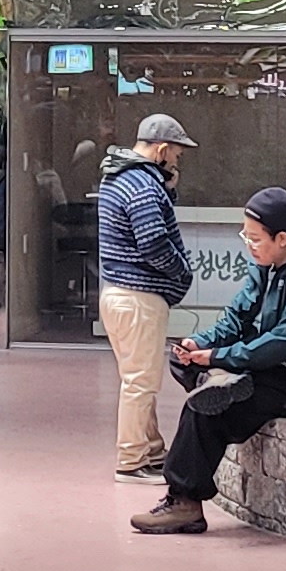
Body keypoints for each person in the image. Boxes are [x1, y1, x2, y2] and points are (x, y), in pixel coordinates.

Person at [131, 189, 286, 536]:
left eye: (255, 238)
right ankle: (218, 379)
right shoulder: (266, 264)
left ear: (282, 239)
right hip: (259, 365)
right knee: (184, 363)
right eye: (245, 236)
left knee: (204, 409)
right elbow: (237, 317)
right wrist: (200, 343)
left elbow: (282, 343)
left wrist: (219, 357)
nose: (248, 245)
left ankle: (184, 503)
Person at [96, 112, 196, 480]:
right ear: (162, 149)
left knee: (138, 379)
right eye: (176, 154)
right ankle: (131, 460)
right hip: (139, 296)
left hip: (116, 293)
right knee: (141, 384)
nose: (176, 161)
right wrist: (182, 271)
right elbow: (154, 242)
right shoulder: (142, 185)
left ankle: (152, 451)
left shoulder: (117, 176)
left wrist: (167, 188)